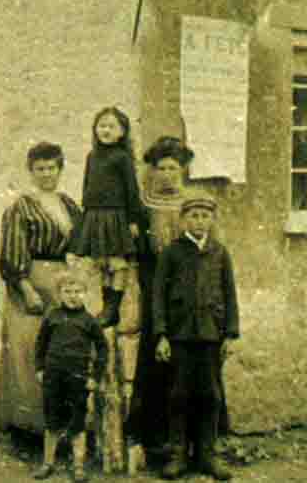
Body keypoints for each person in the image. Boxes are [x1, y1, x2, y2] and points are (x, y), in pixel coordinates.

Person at [0, 141, 81, 433]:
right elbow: (11, 253)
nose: (46, 174)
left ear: (60, 170)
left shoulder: (68, 204)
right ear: (31, 172)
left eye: (51, 168)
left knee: (58, 351)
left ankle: (60, 426)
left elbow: (80, 241)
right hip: (30, 281)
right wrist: (26, 288)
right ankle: (29, 425)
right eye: (40, 169)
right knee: (28, 350)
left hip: (62, 283)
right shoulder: (21, 206)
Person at [152, 191, 239, 481]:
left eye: (205, 216)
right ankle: (178, 454)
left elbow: (230, 294)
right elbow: (158, 297)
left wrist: (230, 334)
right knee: (178, 394)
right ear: (183, 220)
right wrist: (162, 334)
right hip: (180, 335)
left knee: (210, 395)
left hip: (211, 335)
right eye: (193, 216)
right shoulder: (172, 252)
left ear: (212, 220)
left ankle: (207, 454)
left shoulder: (220, 252)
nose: (199, 221)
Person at [125, 135, 193, 461]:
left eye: (173, 167)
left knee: (187, 363)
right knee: (154, 361)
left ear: (183, 170)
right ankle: (152, 440)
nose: (166, 173)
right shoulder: (144, 207)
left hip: (185, 295)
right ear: (152, 171)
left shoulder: (191, 207)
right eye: (161, 167)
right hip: (154, 292)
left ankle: (188, 442)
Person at [68, 106, 142, 327]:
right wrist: (85, 216)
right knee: (101, 262)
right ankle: (106, 305)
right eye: (102, 125)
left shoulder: (122, 158)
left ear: (122, 132)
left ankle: (112, 307)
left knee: (117, 263)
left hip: (116, 215)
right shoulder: (92, 156)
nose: (106, 130)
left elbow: (131, 190)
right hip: (94, 215)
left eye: (111, 126)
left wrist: (132, 220)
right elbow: (86, 186)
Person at [34, 272, 108, 482]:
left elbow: (102, 349)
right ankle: (48, 463)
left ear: (85, 294)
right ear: (59, 294)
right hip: (53, 375)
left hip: (78, 377)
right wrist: (40, 368)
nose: (73, 296)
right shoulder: (52, 317)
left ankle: (78, 466)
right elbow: (40, 344)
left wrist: (95, 376)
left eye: (77, 291)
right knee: (52, 419)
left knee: (77, 421)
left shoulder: (89, 321)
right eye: (67, 291)